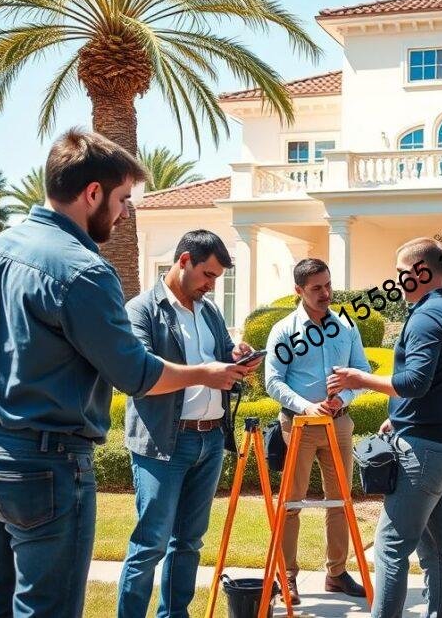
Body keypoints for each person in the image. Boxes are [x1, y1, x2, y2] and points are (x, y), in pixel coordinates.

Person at [0, 129, 254, 618]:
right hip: (46, 465)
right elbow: (135, 375)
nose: (122, 213)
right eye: (121, 200)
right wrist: (203, 371)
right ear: (92, 192)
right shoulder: (83, 269)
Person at [327, 238, 442, 618]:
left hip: (426, 452)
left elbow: (414, 382)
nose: (396, 283)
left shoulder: (427, 316)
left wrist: (359, 379)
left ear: (421, 272)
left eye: (400, 274)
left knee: (391, 546)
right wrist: (401, 414)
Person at [117, 230, 262, 617]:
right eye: (208, 275)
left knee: (189, 543)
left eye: (217, 278)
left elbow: (217, 356)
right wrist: (205, 373)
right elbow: (142, 373)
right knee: (150, 544)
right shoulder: (141, 310)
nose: (212, 285)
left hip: (210, 439)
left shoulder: (208, 309)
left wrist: (237, 355)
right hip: (164, 442)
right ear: (183, 261)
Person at [264, 258, 370, 604]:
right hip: (299, 425)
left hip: (339, 424)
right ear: (298, 291)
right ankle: (288, 577)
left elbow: (362, 372)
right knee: (290, 502)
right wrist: (307, 407)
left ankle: (336, 574)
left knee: (340, 500)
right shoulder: (283, 331)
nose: (326, 293)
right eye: (316, 288)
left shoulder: (346, 325)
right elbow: (272, 381)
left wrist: (344, 398)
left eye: (327, 285)